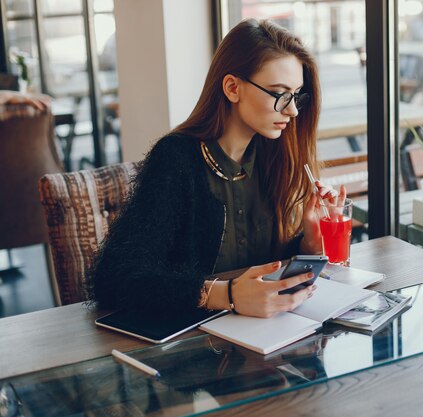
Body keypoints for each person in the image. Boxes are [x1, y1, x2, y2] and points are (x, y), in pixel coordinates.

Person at [90, 19, 346, 318]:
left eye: (296, 95)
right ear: (232, 87)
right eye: (279, 94)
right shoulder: (175, 159)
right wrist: (228, 295)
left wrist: (310, 242)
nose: (292, 110)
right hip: (190, 343)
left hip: (269, 337)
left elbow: (268, 270)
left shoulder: (275, 155)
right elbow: (115, 279)